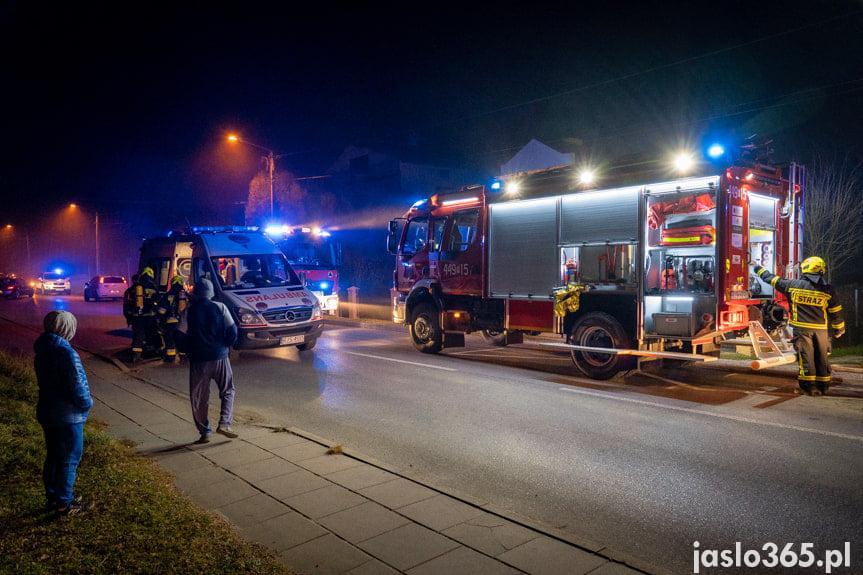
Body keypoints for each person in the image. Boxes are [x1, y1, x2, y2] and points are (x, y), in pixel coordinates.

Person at [752, 256, 846, 395]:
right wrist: (839, 328)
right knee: (822, 358)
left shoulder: (793, 285)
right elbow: (835, 311)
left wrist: (757, 267)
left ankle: (810, 388)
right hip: (821, 331)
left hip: (803, 330)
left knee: (806, 358)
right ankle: (824, 386)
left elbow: (772, 279)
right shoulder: (828, 290)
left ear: (805, 270)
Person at [34, 311, 93, 515]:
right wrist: (87, 403)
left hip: (48, 411)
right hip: (68, 415)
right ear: (67, 328)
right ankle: (64, 504)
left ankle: (54, 496)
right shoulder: (66, 353)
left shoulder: (42, 351)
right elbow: (77, 386)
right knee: (69, 457)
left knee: (53, 456)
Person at [175, 278, 239, 443]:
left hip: (198, 361)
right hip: (220, 357)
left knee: (199, 397)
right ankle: (224, 424)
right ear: (211, 293)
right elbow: (232, 330)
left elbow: (179, 334)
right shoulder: (220, 307)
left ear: (195, 294)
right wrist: (225, 345)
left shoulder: (189, 311)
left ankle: (205, 432)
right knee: (228, 391)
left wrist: (186, 351)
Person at [131, 267, 161, 362]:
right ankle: (152, 351)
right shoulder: (153, 286)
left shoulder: (137, 287)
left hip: (137, 315)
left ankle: (136, 355)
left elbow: (131, 301)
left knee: (138, 335)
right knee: (152, 332)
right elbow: (158, 300)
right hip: (149, 315)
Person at [157, 275, 187, 362]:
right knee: (183, 340)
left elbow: (162, 310)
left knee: (170, 340)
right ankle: (183, 357)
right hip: (184, 323)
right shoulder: (185, 295)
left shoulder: (168, 295)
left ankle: (170, 358)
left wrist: (160, 319)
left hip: (171, 322)